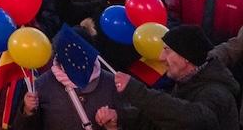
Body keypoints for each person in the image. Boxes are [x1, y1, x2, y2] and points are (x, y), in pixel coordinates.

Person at [98, 25, 239, 130]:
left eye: (167, 51)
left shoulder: (217, 93)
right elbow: (161, 118)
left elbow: (192, 119)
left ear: (186, 58)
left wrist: (136, 91)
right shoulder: (186, 81)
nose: (161, 57)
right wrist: (120, 117)